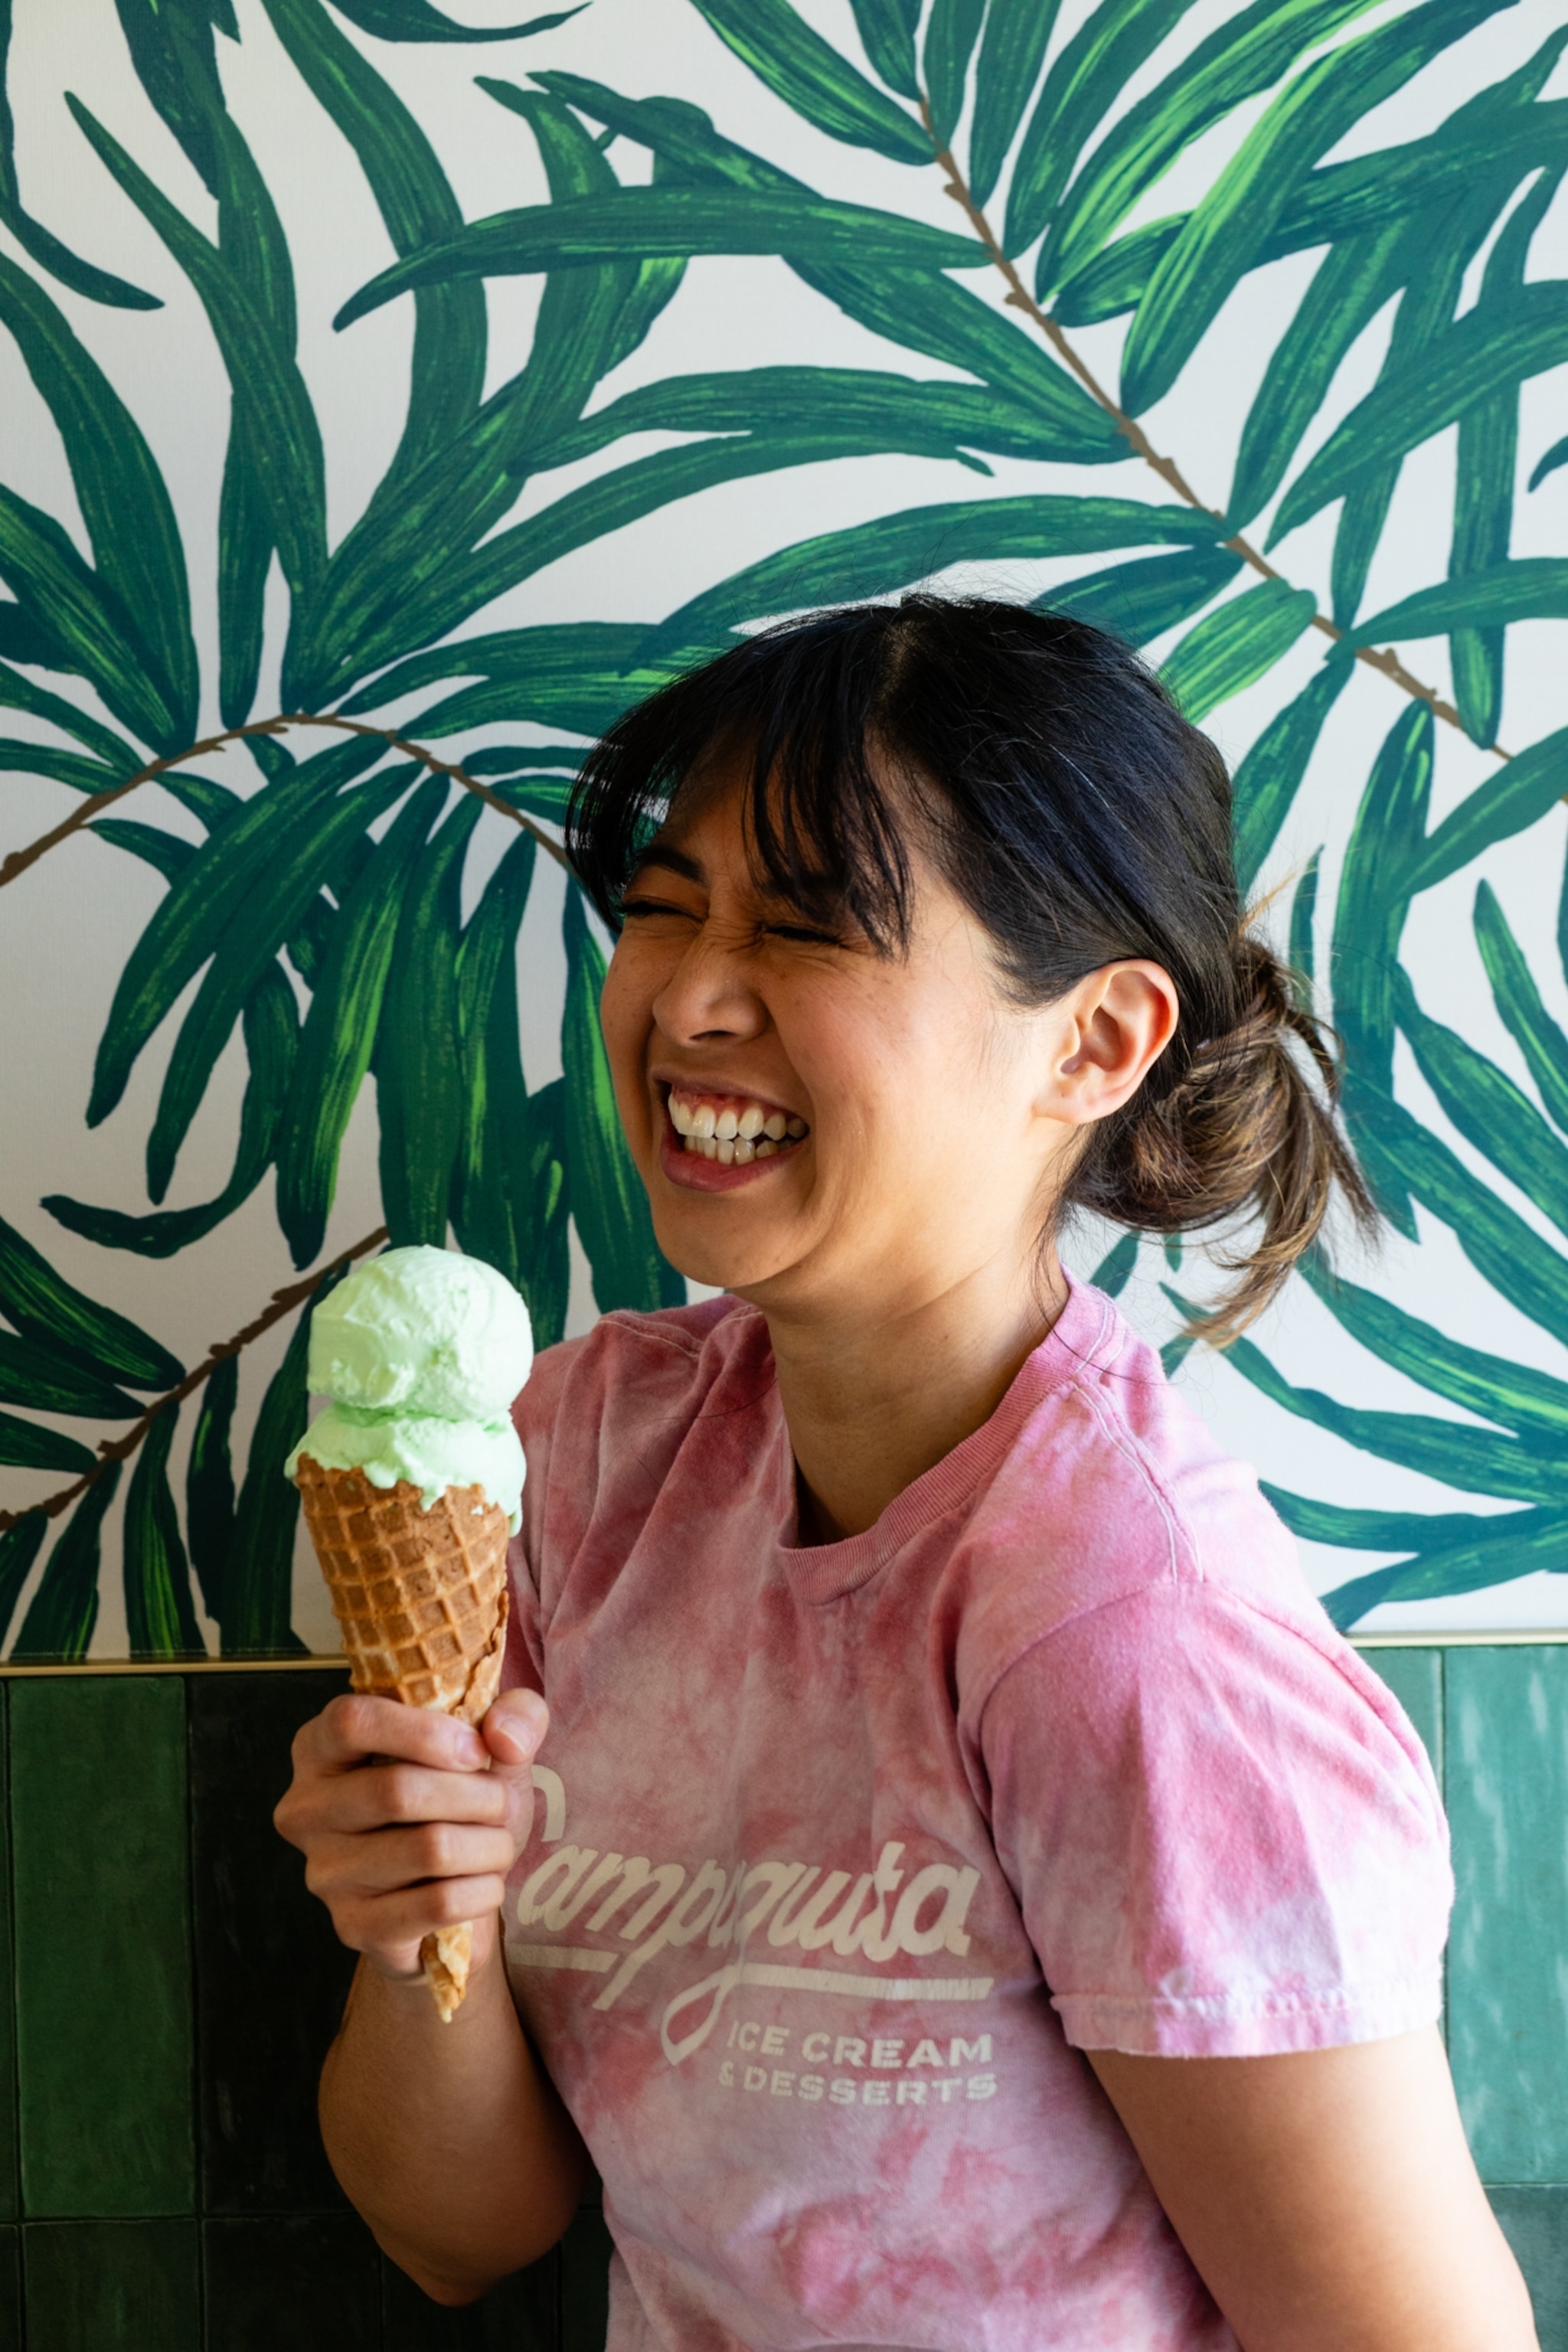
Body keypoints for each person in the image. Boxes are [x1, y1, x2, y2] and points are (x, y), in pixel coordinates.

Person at [276, 599, 1534, 2351]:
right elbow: (456, 2232)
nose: (689, 997)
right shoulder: (580, 1461)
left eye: (805, 928)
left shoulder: (1141, 1640)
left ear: (1093, 1042)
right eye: (661, 909)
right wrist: (421, 1913)